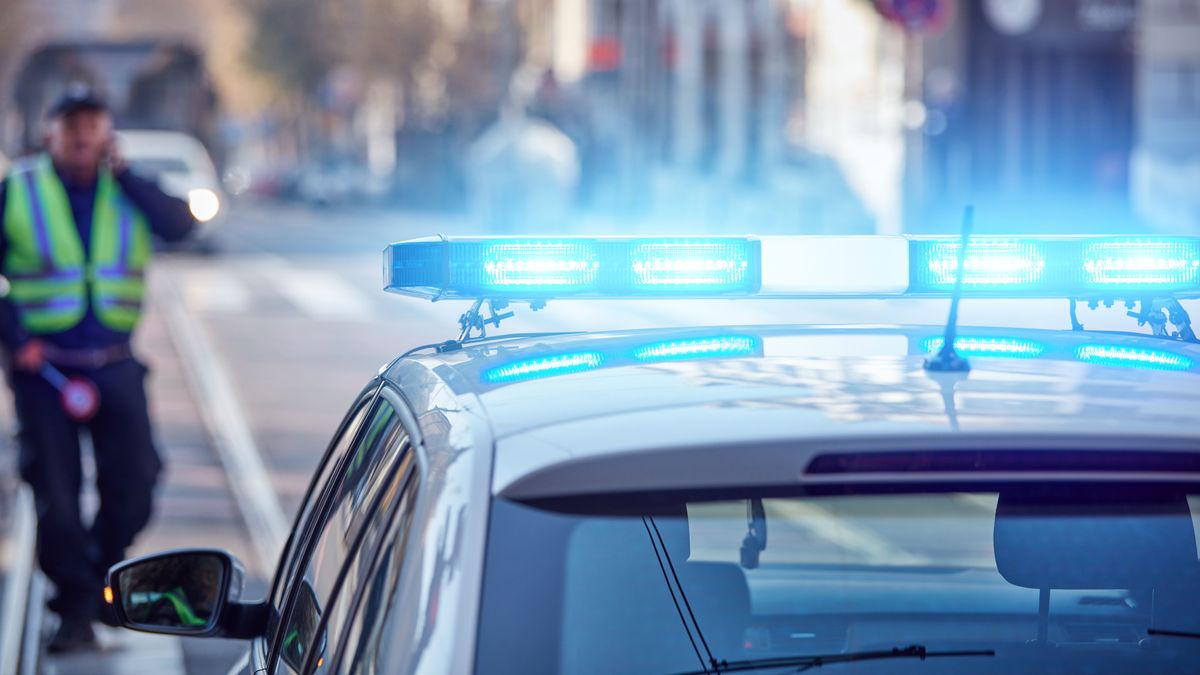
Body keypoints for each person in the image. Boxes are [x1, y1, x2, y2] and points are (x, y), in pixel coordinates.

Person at [0, 85, 195, 652]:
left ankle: (103, 572)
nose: (82, 134)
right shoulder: (19, 190)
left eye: (92, 123)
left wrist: (128, 176)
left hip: (114, 365)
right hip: (45, 372)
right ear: (49, 134)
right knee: (55, 497)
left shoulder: (128, 187)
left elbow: (182, 225)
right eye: (71, 124)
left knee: (136, 482)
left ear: (107, 132)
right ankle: (77, 608)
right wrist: (15, 337)